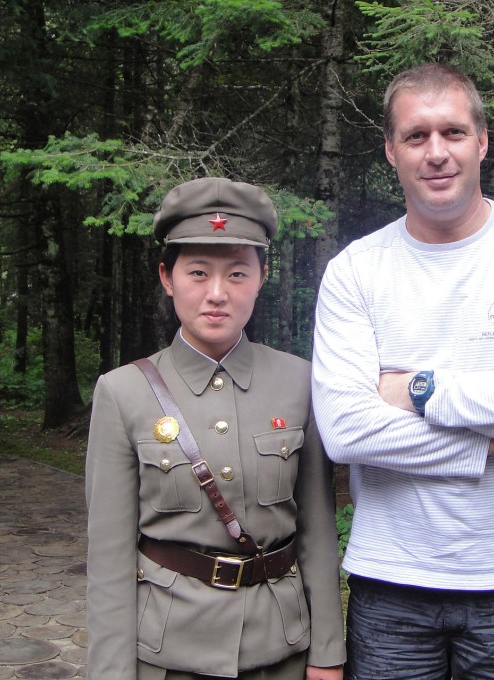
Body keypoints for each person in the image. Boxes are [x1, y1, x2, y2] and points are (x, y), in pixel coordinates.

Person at [310, 63, 494, 679]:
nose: (436, 153)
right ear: (391, 151)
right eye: (416, 136)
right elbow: (344, 430)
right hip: (391, 581)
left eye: (452, 132)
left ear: (482, 141)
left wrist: (414, 390)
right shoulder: (355, 272)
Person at [86, 177, 345, 680]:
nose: (217, 294)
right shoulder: (122, 392)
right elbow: (110, 561)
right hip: (169, 652)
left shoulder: (300, 382)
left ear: (263, 276)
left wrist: (327, 654)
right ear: (167, 277)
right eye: (198, 273)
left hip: (282, 651)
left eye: (238, 274)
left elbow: (317, 531)